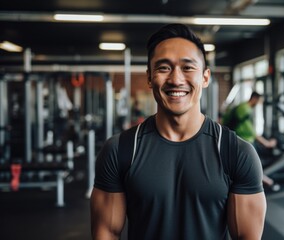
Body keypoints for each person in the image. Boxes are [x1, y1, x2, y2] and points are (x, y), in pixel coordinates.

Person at [90, 23, 266, 240]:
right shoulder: (120, 150)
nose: (175, 79)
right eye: (163, 68)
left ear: (205, 77)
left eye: (188, 67)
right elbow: (106, 233)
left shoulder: (236, 152)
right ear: (149, 77)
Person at [222, 91, 279, 189]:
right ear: (254, 99)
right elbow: (250, 130)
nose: (259, 104)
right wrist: (266, 143)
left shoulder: (242, 106)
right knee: (253, 165)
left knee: (249, 164)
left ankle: (265, 181)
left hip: (241, 140)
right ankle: (266, 182)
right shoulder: (245, 109)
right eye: (259, 101)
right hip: (244, 141)